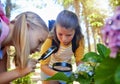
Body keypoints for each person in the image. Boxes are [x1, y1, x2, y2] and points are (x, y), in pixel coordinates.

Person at [0, 1, 49, 83]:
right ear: (27, 27)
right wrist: (19, 71)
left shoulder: (4, 50)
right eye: (40, 41)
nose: (40, 49)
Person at [39, 10, 84, 84]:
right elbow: (43, 66)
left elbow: (79, 61)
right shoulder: (50, 41)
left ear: (75, 31)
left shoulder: (78, 40)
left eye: (69, 35)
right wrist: (59, 76)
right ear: (55, 28)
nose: (64, 39)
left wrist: (84, 73)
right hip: (49, 71)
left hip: (67, 72)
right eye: (60, 34)